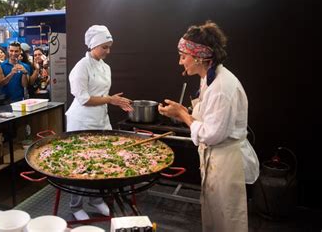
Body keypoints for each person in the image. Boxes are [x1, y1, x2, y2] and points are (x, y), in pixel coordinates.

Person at [158, 21, 259, 232]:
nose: (180, 62)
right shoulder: (208, 78)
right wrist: (180, 112)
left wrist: (182, 114)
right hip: (215, 158)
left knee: (227, 219)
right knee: (213, 216)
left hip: (226, 160)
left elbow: (211, 134)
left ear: (200, 57)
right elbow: (205, 115)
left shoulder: (222, 87)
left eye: (183, 56)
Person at [65, 25, 133, 221]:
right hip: (82, 121)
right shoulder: (80, 67)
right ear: (93, 45)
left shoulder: (105, 67)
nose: (108, 51)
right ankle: (76, 205)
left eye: (109, 47)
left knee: (102, 160)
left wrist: (114, 100)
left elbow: (103, 95)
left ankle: (95, 199)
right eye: (104, 47)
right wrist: (111, 100)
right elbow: (84, 99)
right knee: (80, 164)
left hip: (101, 119)